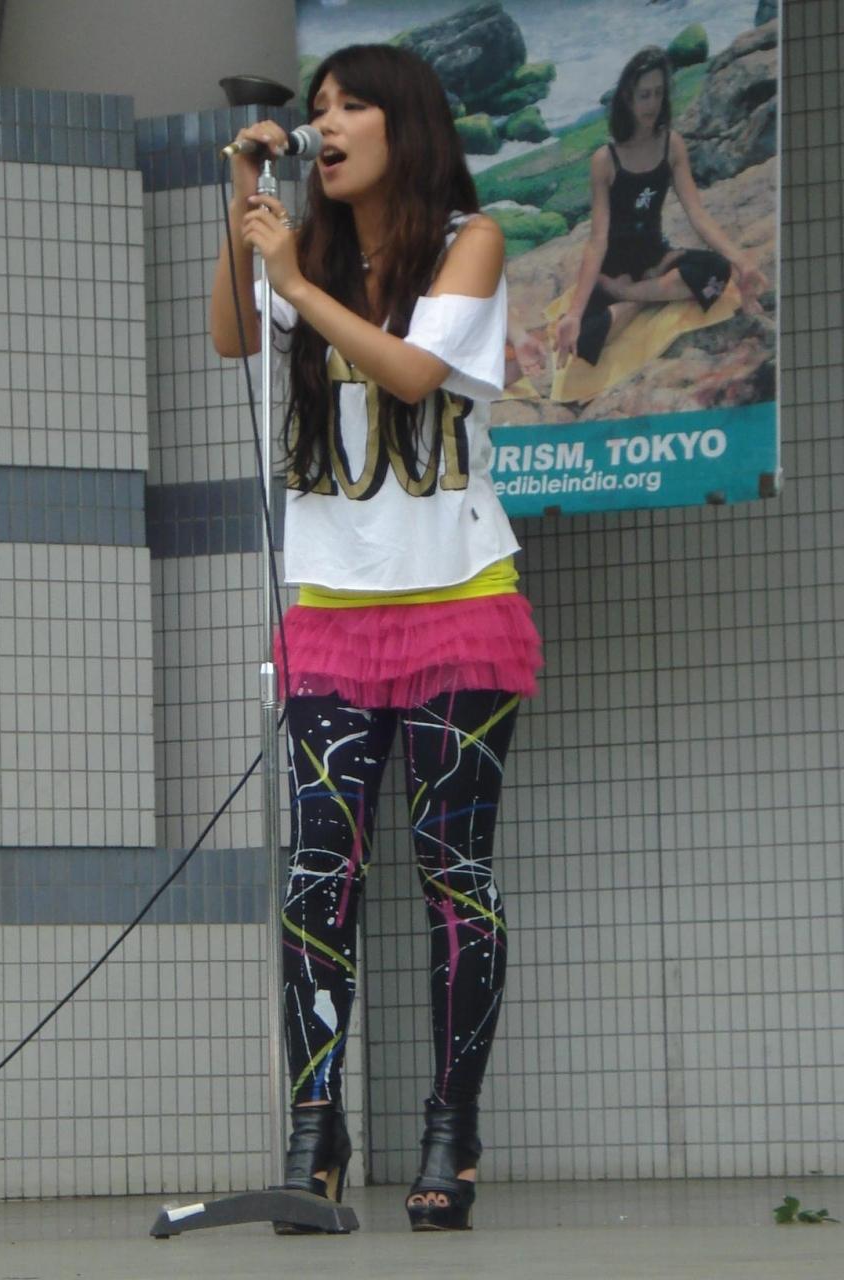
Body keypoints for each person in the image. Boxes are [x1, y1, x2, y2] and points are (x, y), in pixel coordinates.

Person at [211, 43, 542, 1233]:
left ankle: (452, 1131)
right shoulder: (304, 252)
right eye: (317, 110)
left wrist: (294, 281)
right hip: (332, 613)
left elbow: (410, 374)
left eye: (352, 106)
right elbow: (232, 338)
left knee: (454, 872)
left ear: (405, 122)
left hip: (456, 601)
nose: (330, 124)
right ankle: (317, 1130)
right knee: (318, 872)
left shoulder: (469, 240)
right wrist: (244, 206)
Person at [554, 45, 766, 368]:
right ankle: (646, 295)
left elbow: (697, 214)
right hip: (615, 268)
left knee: (717, 271)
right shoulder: (605, 160)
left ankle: (631, 296)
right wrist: (573, 312)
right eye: (644, 95)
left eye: (658, 93)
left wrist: (741, 262)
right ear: (627, 98)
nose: (652, 104)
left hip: (656, 260)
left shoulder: (672, 145)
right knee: (583, 340)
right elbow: (597, 240)